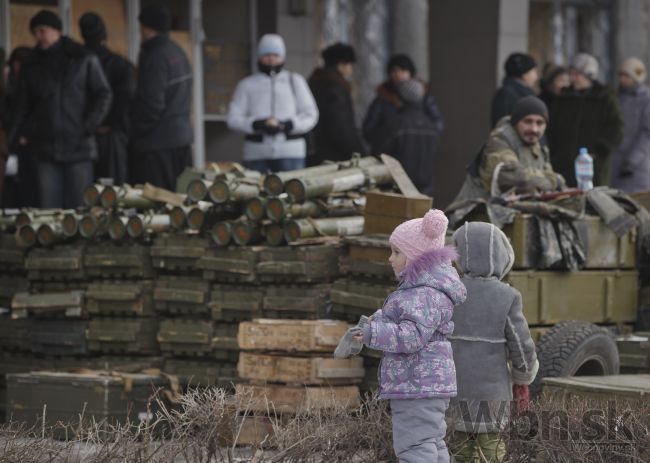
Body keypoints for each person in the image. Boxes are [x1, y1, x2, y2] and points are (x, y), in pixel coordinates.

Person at [351, 209, 467, 462]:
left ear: (416, 256)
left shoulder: (421, 293)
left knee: (414, 448)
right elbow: (413, 323)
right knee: (430, 445)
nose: (390, 259)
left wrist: (373, 333)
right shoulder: (424, 291)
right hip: (426, 384)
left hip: (417, 384)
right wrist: (381, 319)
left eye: (396, 252)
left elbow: (412, 336)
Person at [448, 221, 538, 462]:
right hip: (492, 395)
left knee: (459, 453)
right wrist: (523, 376)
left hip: (453, 391)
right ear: (501, 254)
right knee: (493, 453)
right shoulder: (507, 296)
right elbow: (522, 346)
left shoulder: (449, 292)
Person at [8, 10, 112, 209]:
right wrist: (16, 141)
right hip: (46, 147)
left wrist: (88, 126)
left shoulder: (82, 58)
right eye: (35, 32)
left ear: (56, 30)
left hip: (79, 145)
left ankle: (79, 242)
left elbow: (103, 94)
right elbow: (22, 107)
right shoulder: (32, 65)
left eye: (42, 30)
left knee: (80, 208)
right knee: (50, 208)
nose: (39, 36)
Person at [227, 34, 318, 173]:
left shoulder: (295, 81)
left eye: (276, 54)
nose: (271, 59)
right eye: (266, 54)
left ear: (282, 57)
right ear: (259, 56)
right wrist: (256, 124)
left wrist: (289, 125)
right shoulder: (246, 85)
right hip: (256, 152)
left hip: (290, 152)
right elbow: (233, 119)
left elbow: (311, 114)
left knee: (291, 190)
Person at [452, 96, 564, 204]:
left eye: (540, 123)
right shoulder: (499, 141)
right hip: (476, 214)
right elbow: (516, 179)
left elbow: (552, 180)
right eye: (528, 121)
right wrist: (554, 181)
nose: (534, 129)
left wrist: (553, 182)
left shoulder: (538, 147)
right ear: (516, 122)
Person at [130, 3, 193, 191]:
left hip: (157, 144)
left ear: (146, 27)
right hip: (181, 139)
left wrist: (134, 132)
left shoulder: (154, 56)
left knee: (157, 202)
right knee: (178, 201)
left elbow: (151, 104)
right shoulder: (178, 51)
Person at [547, 53, 623, 187]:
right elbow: (552, 127)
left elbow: (616, 129)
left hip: (593, 167)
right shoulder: (563, 98)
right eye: (571, 74)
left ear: (589, 76)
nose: (573, 79)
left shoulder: (604, 98)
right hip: (563, 166)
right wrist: (554, 154)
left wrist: (599, 152)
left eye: (577, 75)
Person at [79, 12, 136, 185]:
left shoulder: (77, 63)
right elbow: (126, 101)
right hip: (111, 135)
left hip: (83, 134)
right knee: (112, 190)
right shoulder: (120, 65)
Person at [363, 54, 444, 155]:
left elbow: (437, 123)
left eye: (402, 70)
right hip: (389, 154)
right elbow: (369, 129)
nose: (398, 74)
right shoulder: (382, 99)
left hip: (419, 151)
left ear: (410, 73)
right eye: (394, 71)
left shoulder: (424, 96)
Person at [373, 79, 440, 196]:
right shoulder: (431, 126)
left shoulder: (395, 124)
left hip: (397, 190)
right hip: (425, 190)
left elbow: (379, 155)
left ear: (400, 98)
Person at [307, 43, 364, 166]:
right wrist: (358, 150)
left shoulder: (313, 82)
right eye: (349, 64)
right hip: (336, 155)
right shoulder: (337, 88)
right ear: (341, 64)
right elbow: (342, 125)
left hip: (315, 152)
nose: (351, 69)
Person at [3, 46, 38, 207]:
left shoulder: (31, 84)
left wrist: (26, 134)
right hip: (13, 143)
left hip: (29, 144)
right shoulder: (9, 85)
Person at [611, 58, 650, 193]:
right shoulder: (616, 97)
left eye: (626, 75)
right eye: (620, 75)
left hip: (637, 167)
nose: (622, 79)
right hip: (615, 162)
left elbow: (647, 133)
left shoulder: (646, 98)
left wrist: (632, 161)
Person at [491, 53, 538, 127]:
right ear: (524, 74)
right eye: (534, 72)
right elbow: (501, 127)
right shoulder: (506, 94)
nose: (536, 77)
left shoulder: (522, 93)